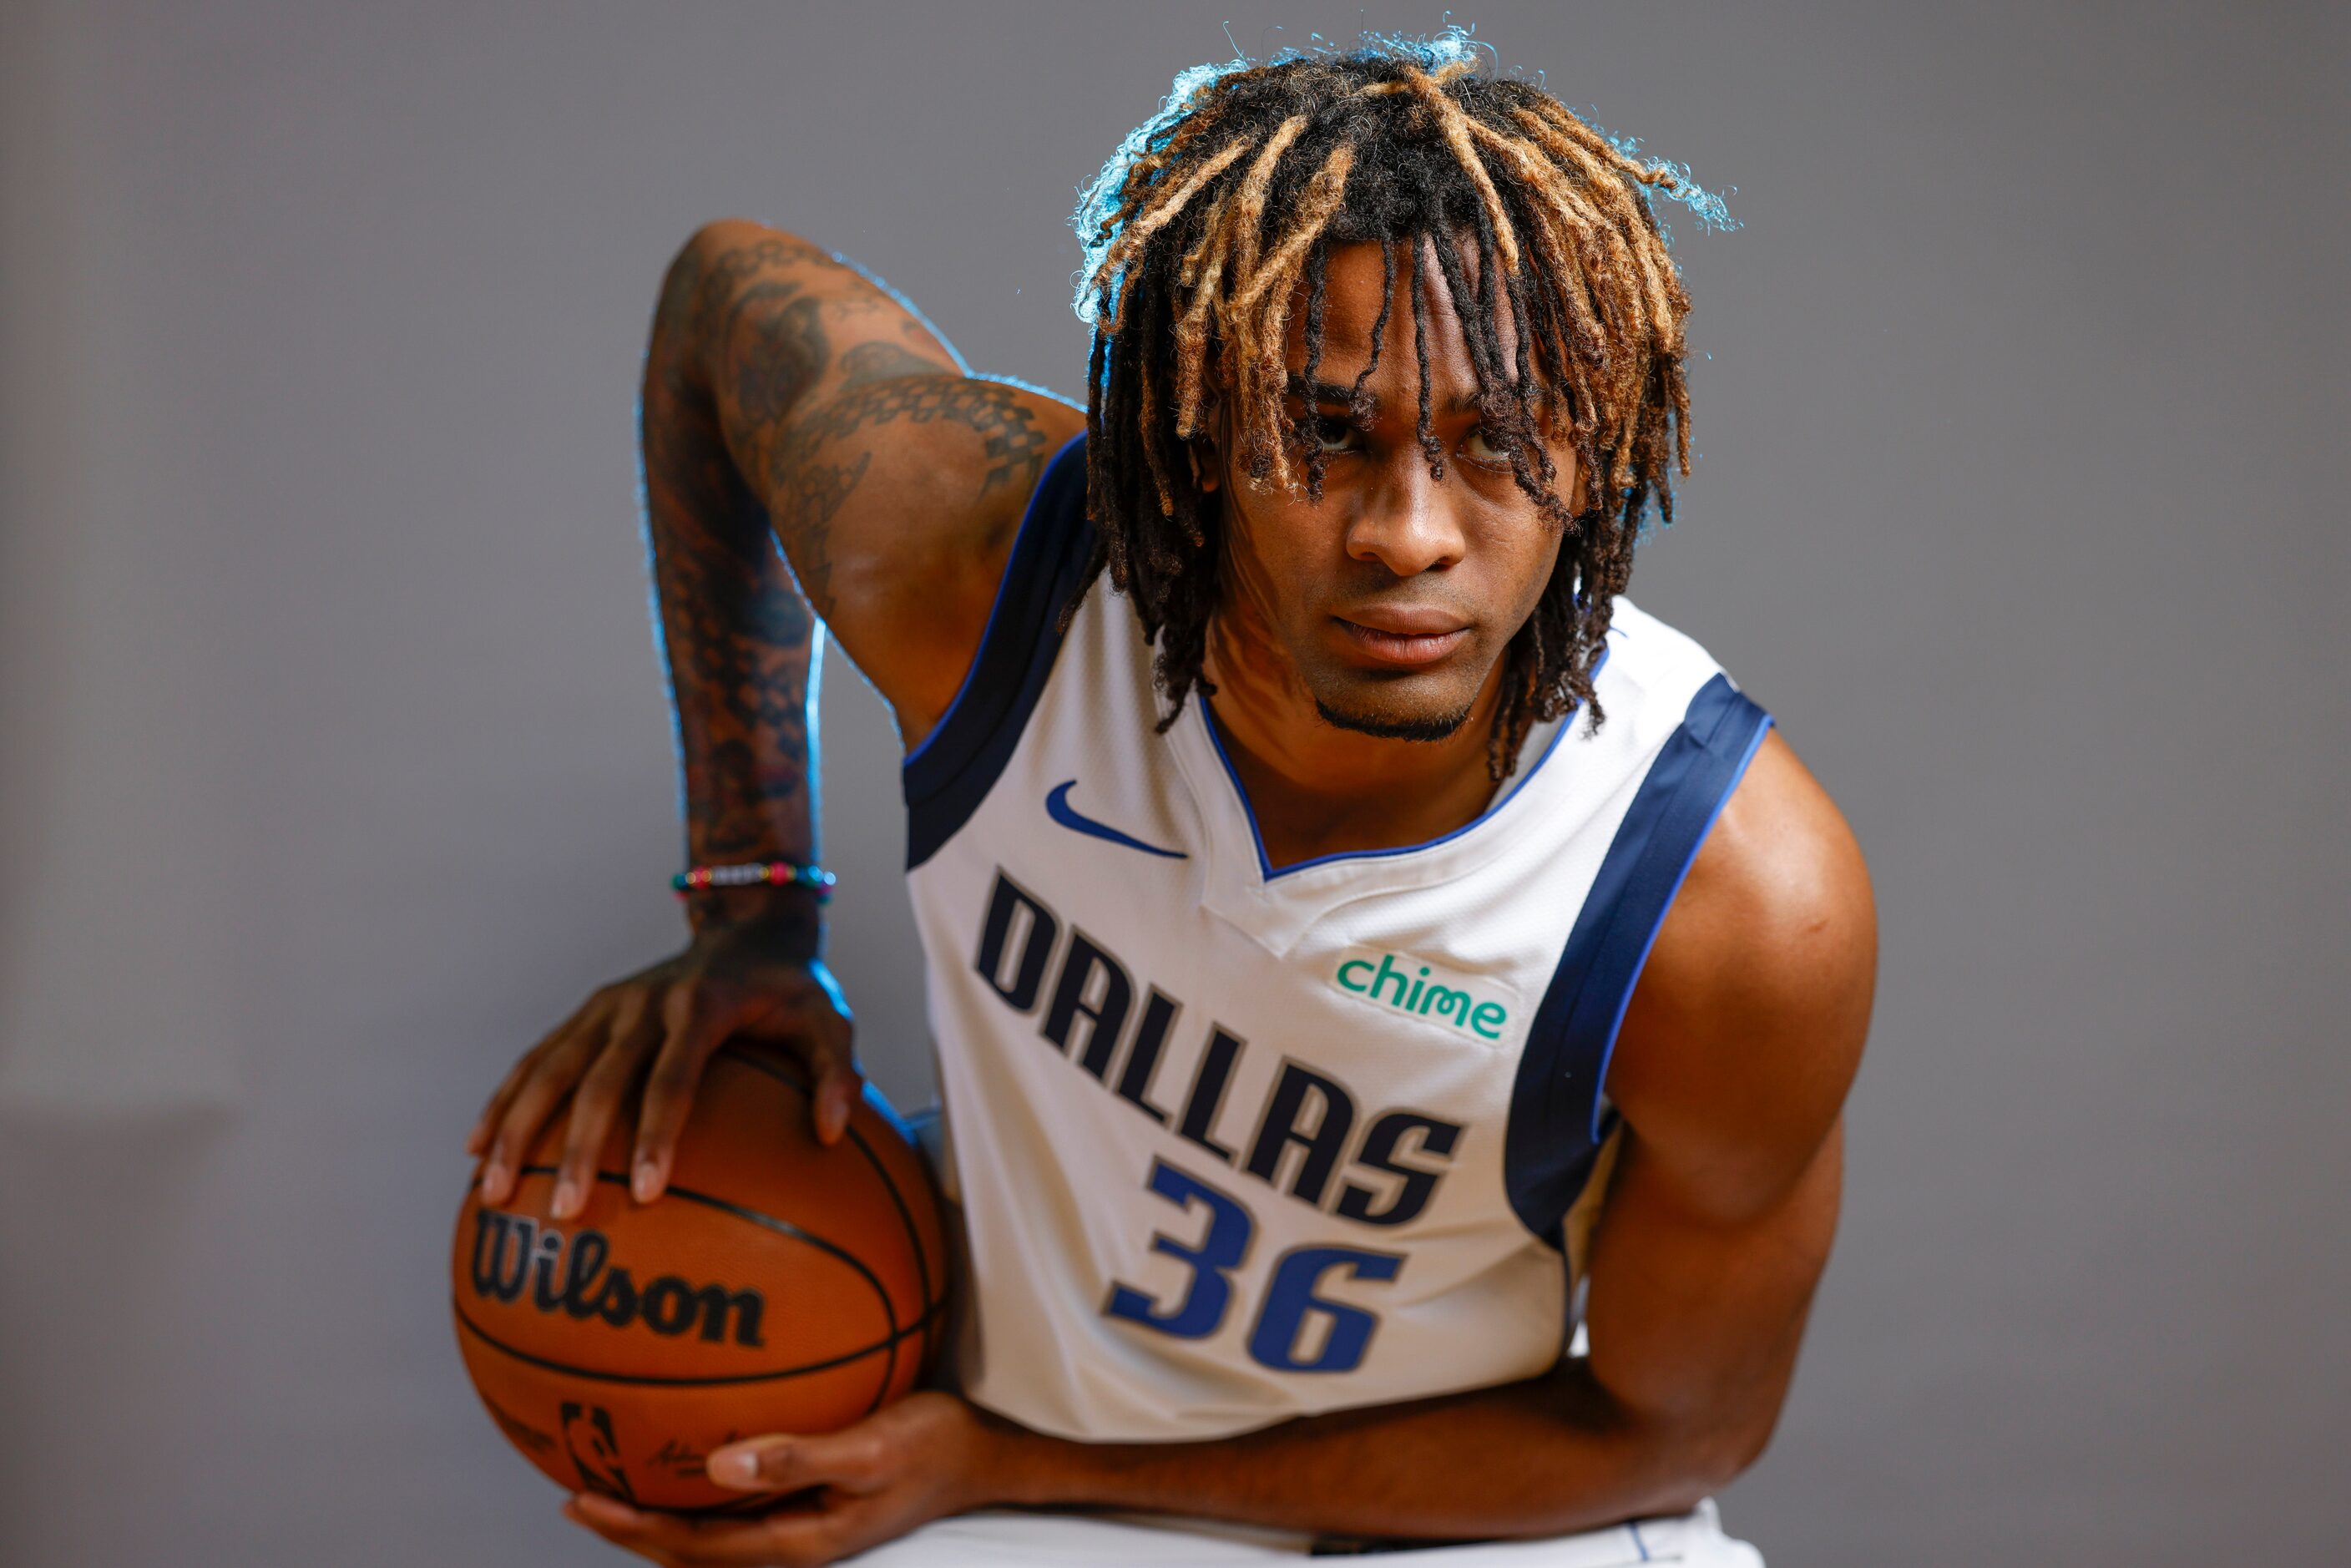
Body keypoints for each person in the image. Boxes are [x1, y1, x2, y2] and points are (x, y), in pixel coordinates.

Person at [469, 33, 1874, 1567]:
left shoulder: (1723, 900)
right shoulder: (983, 574)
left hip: (1477, 1512)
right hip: (1011, 1489)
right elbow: (722, 297)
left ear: (1596, 450)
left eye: (1498, 441)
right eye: (1325, 436)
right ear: (1198, 429)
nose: (1411, 534)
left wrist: (1013, 1458)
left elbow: (1668, 1431)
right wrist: (749, 903)